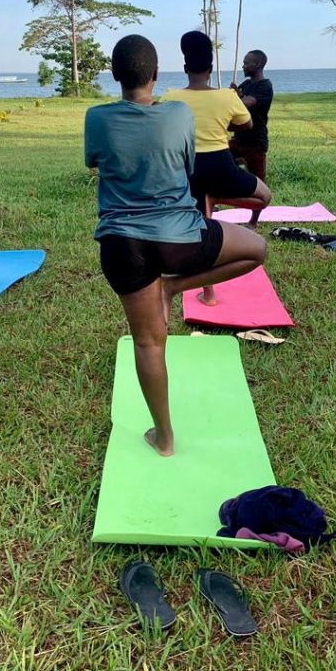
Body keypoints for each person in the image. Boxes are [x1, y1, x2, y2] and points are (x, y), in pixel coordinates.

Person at [85, 35, 266, 457]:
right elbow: (187, 166)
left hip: (121, 243)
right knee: (256, 249)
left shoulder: (96, 117)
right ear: (156, 74)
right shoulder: (179, 115)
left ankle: (164, 438)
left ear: (115, 75)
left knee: (149, 343)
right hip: (181, 238)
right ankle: (174, 286)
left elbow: (94, 162)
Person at [162, 31, 271, 304]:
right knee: (264, 197)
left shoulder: (170, 97)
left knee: (201, 233)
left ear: (185, 68)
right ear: (210, 70)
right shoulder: (226, 96)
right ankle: (215, 198)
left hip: (188, 172)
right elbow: (246, 124)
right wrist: (221, 120)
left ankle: (207, 292)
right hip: (222, 167)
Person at [230, 49, 274, 227]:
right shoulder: (246, 84)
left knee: (259, 183)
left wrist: (232, 97)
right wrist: (233, 93)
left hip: (255, 142)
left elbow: (246, 103)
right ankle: (213, 203)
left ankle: (253, 222)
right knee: (215, 162)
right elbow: (238, 98)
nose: (243, 65)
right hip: (238, 139)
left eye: (246, 62)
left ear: (258, 65)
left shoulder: (264, 86)